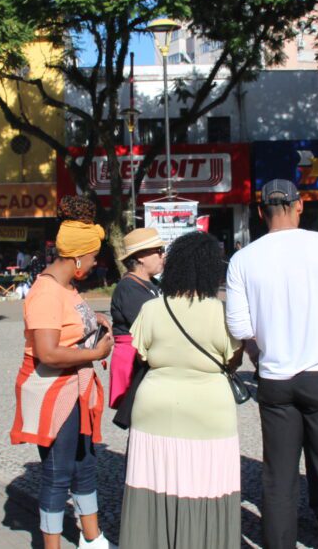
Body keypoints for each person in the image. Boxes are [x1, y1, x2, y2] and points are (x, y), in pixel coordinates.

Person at [225, 179, 318, 549]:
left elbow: (238, 326)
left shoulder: (243, 259)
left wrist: (260, 348)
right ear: (300, 205)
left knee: (279, 480)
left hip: (275, 376)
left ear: (259, 212)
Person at [119, 232, 243, 548]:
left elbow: (141, 353)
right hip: (209, 411)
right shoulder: (220, 311)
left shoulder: (152, 308)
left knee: (154, 485)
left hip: (155, 407)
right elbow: (233, 358)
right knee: (207, 486)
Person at [10, 198, 116, 549]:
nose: (95, 262)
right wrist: (95, 352)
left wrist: (93, 321)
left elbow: (67, 325)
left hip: (75, 388)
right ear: (76, 259)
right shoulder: (45, 292)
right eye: (92, 256)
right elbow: (48, 352)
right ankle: (51, 544)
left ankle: (92, 538)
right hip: (54, 390)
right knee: (58, 474)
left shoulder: (68, 289)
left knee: (84, 464)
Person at [109, 228, 165, 408]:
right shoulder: (129, 287)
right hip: (134, 359)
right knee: (138, 416)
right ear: (140, 256)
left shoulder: (152, 283)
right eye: (158, 251)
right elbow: (151, 325)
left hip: (146, 355)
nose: (162, 256)